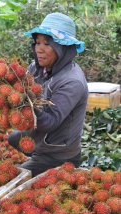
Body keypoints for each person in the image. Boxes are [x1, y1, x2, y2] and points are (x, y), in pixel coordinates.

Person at [8, 12, 88, 177]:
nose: (39, 49)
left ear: (62, 48)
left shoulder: (72, 82)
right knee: (12, 138)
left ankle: (43, 163)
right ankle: (35, 155)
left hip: (58, 153)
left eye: (47, 44)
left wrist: (29, 102)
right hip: (41, 140)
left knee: (15, 177)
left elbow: (50, 122)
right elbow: (21, 87)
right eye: (37, 43)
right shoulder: (37, 67)